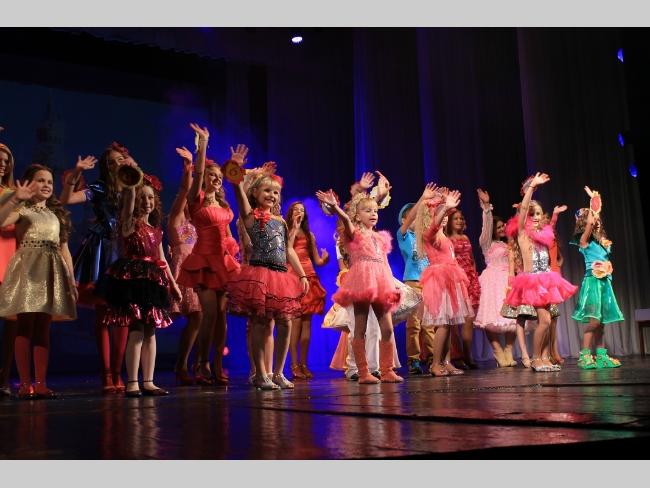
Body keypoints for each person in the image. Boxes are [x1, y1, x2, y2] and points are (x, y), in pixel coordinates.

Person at [226, 146, 308, 390]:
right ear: (255, 192)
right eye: (267, 190)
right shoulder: (251, 217)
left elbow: (288, 249)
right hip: (260, 275)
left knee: (286, 323)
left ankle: (279, 372)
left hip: (280, 276)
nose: (272, 195)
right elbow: (237, 191)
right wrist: (236, 167)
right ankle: (261, 373)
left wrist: (302, 274)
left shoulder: (280, 221)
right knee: (260, 324)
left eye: (276, 192)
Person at [0, 164, 78, 399]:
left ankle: (41, 383)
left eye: (50, 182)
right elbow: (1, 221)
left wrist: (71, 279)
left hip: (50, 271)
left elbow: (64, 248)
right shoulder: (22, 210)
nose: (46, 185)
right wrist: (16, 198)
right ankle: (25, 384)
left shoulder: (55, 214)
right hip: (28, 271)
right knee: (25, 325)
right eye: (41, 180)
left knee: (43, 327)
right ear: (29, 183)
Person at [102, 173, 181, 397]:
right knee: (136, 329)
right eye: (142, 197)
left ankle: (149, 381)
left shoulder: (156, 230)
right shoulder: (129, 224)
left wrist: (173, 285)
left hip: (152, 280)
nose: (147, 202)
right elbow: (127, 211)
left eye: (150, 197)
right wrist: (130, 189)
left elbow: (162, 259)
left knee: (151, 331)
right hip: (134, 279)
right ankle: (132, 382)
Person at [572, 187, 624, 369]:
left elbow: (596, 223)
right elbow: (589, 226)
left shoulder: (601, 243)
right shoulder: (584, 242)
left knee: (601, 323)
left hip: (604, 283)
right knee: (594, 321)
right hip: (592, 283)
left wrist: (595, 204)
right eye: (592, 221)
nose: (596, 222)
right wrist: (592, 209)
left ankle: (601, 356)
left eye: (597, 221)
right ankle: (584, 355)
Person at [286, 201, 328, 380]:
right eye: (296, 209)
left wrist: (325, 259)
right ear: (290, 213)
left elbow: (317, 260)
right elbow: (287, 250)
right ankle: (294, 364)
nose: (299, 212)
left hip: (309, 276)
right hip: (293, 277)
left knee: (307, 323)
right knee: (295, 322)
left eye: (302, 210)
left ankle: (304, 363)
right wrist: (294, 228)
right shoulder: (286, 231)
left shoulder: (310, 235)